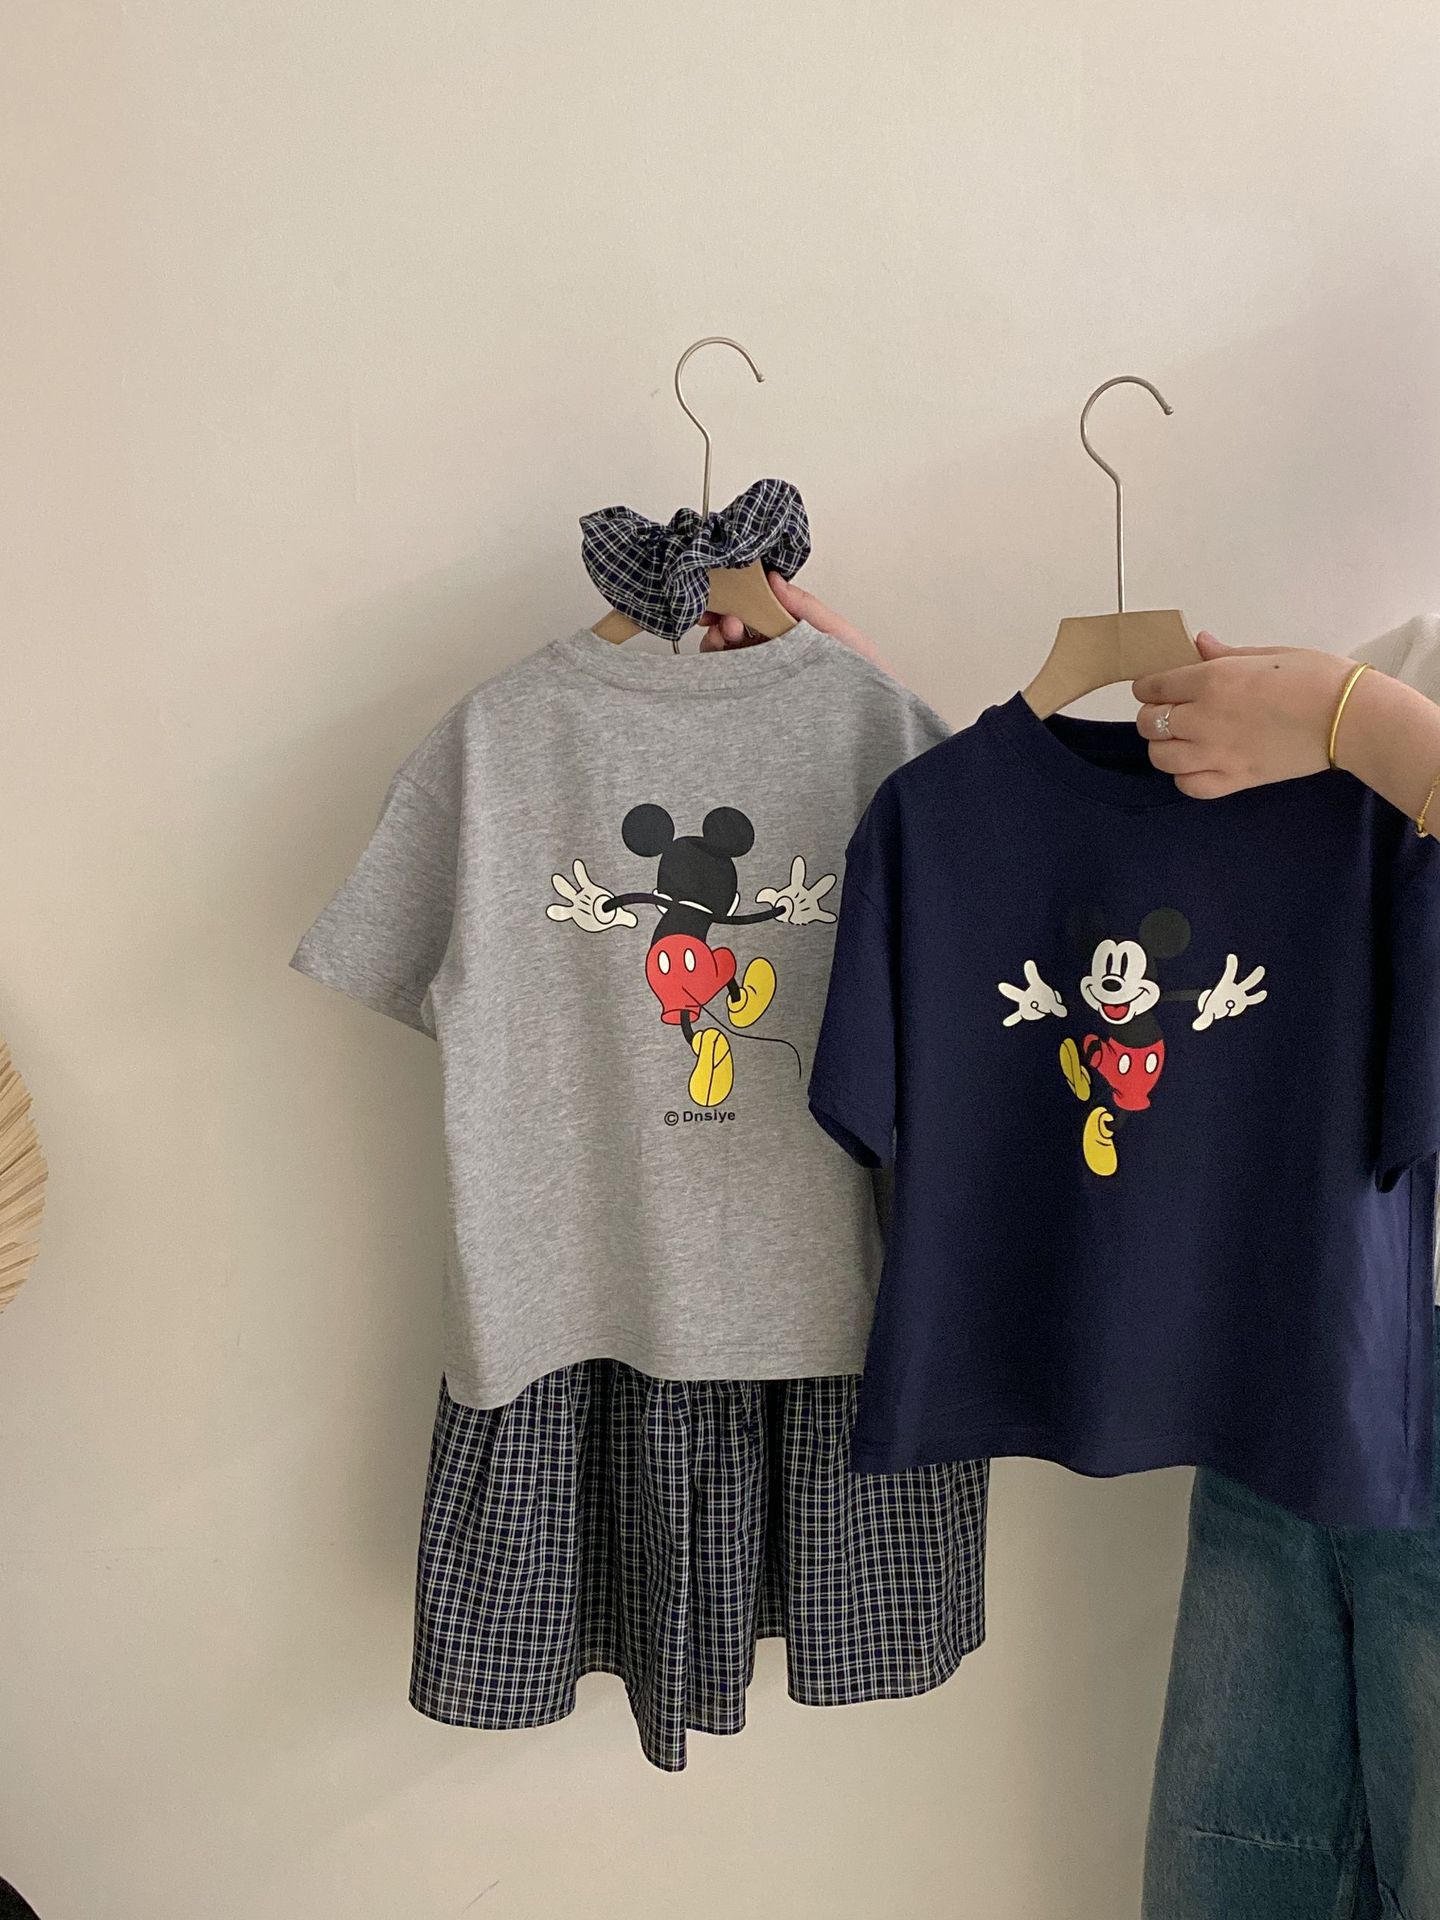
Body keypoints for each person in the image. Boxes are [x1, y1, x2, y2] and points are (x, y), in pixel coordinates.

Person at [706, 581, 1440, 1920]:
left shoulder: (1364, 730)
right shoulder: (1398, 659)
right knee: (1233, 1867)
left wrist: (1361, 724)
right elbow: (1095, 835)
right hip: (1302, 1369)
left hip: (1350, 1355)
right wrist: (892, 753)